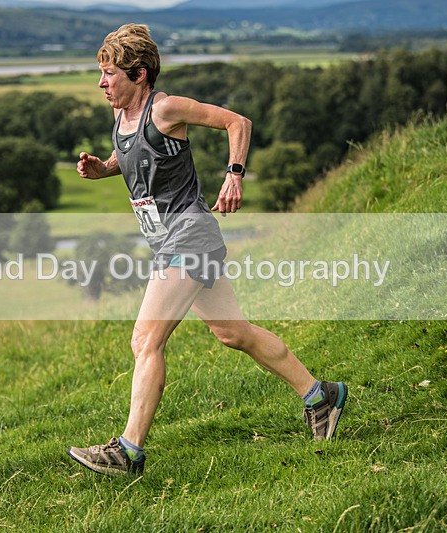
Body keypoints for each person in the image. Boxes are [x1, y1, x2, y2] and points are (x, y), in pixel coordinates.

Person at [67, 24, 347, 477]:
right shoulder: (121, 119)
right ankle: (322, 397)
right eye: (100, 74)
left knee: (145, 339)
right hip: (169, 243)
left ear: (139, 73)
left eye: (109, 74)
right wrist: (104, 168)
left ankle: (128, 452)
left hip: (190, 236)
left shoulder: (167, 108)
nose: (102, 83)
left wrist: (234, 173)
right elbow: (134, 157)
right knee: (233, 333)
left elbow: (238, 122)